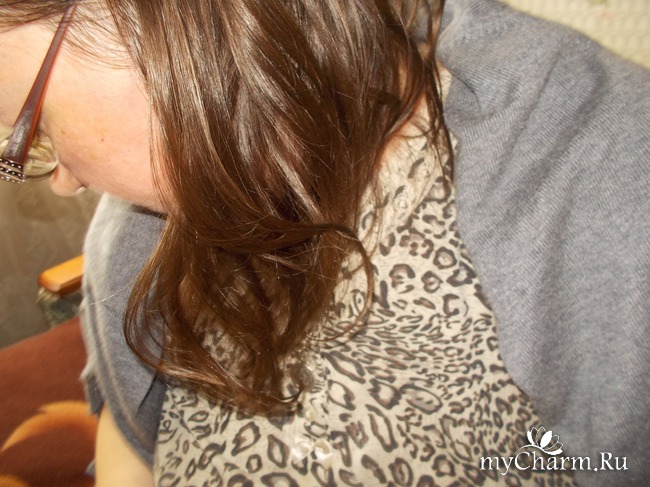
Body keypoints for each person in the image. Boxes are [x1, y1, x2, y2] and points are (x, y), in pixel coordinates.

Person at [1, 0, 648, 485]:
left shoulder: (606, 196)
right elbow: (132, 431)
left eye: (32, 129)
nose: (60, 180)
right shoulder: (141, 222)